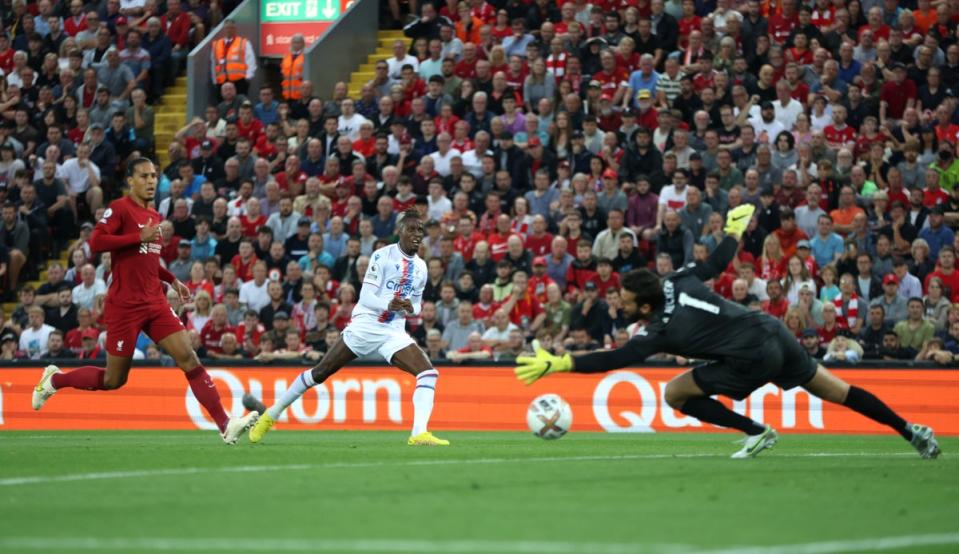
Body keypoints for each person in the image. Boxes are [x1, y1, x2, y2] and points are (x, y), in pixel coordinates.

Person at [515, 204, 941, 459]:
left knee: (675, 393)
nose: (618, 303)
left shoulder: (660, 328)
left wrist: (563, 362)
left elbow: (615, 359)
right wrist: (735, 229)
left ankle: (756, 433)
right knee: (838, 390)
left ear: (644, 306)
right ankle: (911, 431)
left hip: (751, 357)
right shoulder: (678, 278)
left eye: (624, 301)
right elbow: (717, 262)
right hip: (772, 330)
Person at [31, 158, 258, 445]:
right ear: (130, 180)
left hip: (154, 300)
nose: (151, 181)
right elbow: (98, 242)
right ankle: (55, 380)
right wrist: (138, 235)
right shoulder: (119, 209)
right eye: (144, 176)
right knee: (113, 380)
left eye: (154, 176)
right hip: (125, 306)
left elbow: (145, 258)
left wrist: (170, 278)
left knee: (188, 357)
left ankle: (226, 424)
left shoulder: (152, 214)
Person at [249, 209, 449, 446]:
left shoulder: (422, 267)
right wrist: (389, 303)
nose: (418, 235)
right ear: (401, 232)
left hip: (393, 331)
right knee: (319, 373)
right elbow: (365, 297)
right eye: (412, 229)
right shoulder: (382, 256)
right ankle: (271, 415)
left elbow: (416, 304)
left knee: (428, 373)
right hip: (365, 327)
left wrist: (409, 307)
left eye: (421, 231)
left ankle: (418, 433)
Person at [209, 19, 256, 97]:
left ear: (235, 29)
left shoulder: (243, 42)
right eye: (227, 28)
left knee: (240, 104)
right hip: (221, 81)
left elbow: (251, 60)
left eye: (231, 28)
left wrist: (248, 77)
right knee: (223, 106)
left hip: (239, 80)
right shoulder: (216, 44)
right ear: (224, 29)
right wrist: (214, 80)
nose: (229, 30)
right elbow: (213, 63)